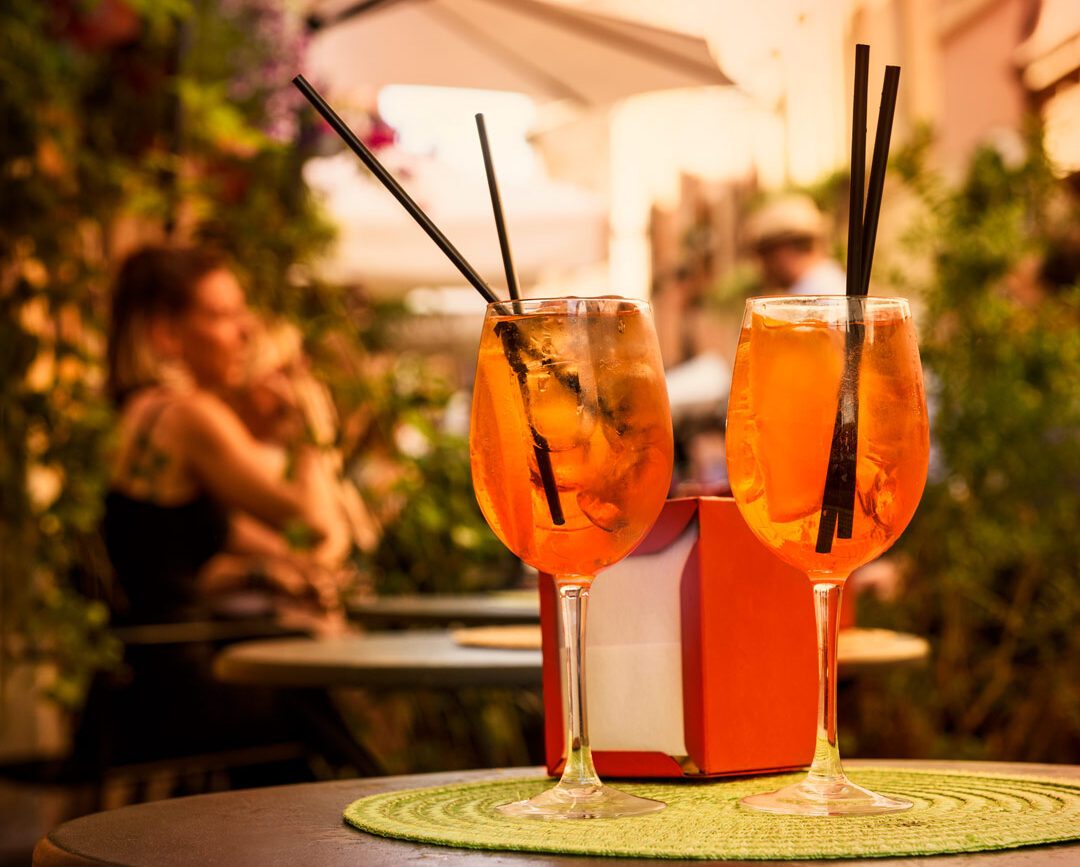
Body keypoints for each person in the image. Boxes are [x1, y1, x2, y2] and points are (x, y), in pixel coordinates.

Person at [103, 245, 355, 626]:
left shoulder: (142, 411)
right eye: (224, 315)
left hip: (153, 663)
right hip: (180, 673)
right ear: (166, 333)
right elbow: (314, 523)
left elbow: (294, 548)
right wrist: (310, 429)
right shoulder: (185, 415)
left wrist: (285, 568)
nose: (246, 330)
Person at [745, 193, 847, 296]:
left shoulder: (809, 300)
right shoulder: (833, 281)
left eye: (764, 253)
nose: (761, 265)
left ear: (782, 249)